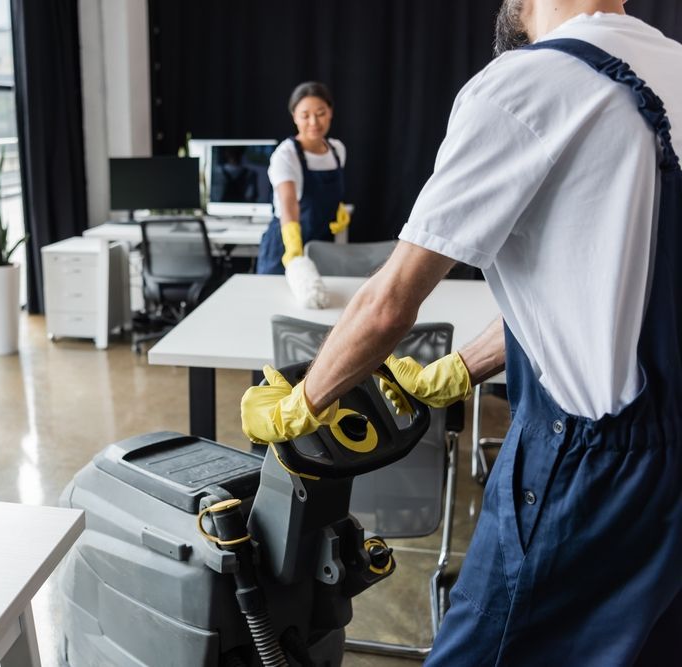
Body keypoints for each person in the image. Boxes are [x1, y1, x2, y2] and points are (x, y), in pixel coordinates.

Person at [241, 1, 681, 664]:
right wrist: (458, 369)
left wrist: (305, 401)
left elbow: (391, 303)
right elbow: (593, 293)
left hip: (587, 466)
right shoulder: (673, 67)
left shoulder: (524, 85)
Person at [256, 81, 351, 275]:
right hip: (285, 246)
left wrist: (338, 208)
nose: (314, 122)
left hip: (321, 246)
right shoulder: (286, 155)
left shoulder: (337, 150)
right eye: (305, 115)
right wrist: (293, 251)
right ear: (294, 117)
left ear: (330, 112)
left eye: (321, 113)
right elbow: (288, 203)